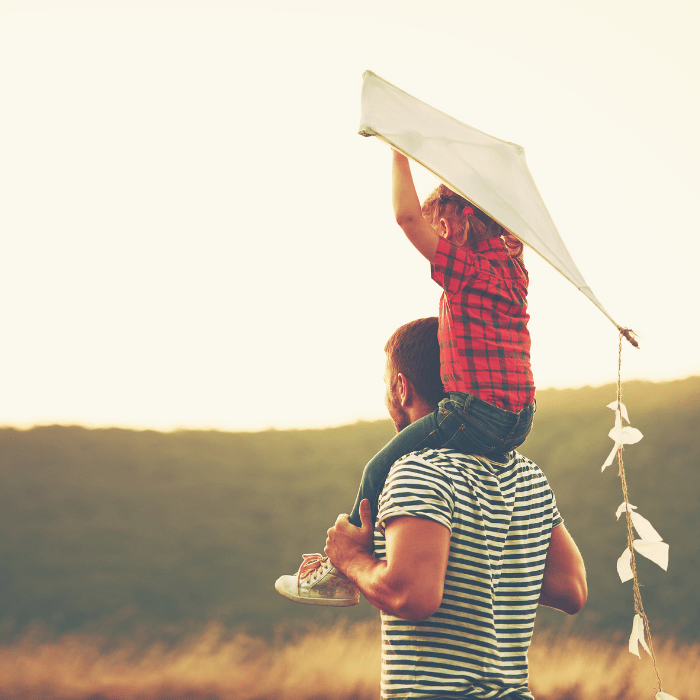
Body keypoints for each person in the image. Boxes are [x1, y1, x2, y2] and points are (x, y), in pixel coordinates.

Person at [276, 149, 536, 604]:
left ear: (454, 225)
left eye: (439, 227)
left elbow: (405, 218)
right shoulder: (514, 269)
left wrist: (400, 151)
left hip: (475, 412)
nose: (433, 236)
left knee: (379, 467)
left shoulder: (469, 270)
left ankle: (341, 570)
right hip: (521, 418)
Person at [321, 317, 587, 700]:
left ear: (401, 388)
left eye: (385, 384)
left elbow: (412, 597)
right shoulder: (528, 474)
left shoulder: (418, 468)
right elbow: (572, 589)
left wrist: (351, 560)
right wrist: (483, 570)